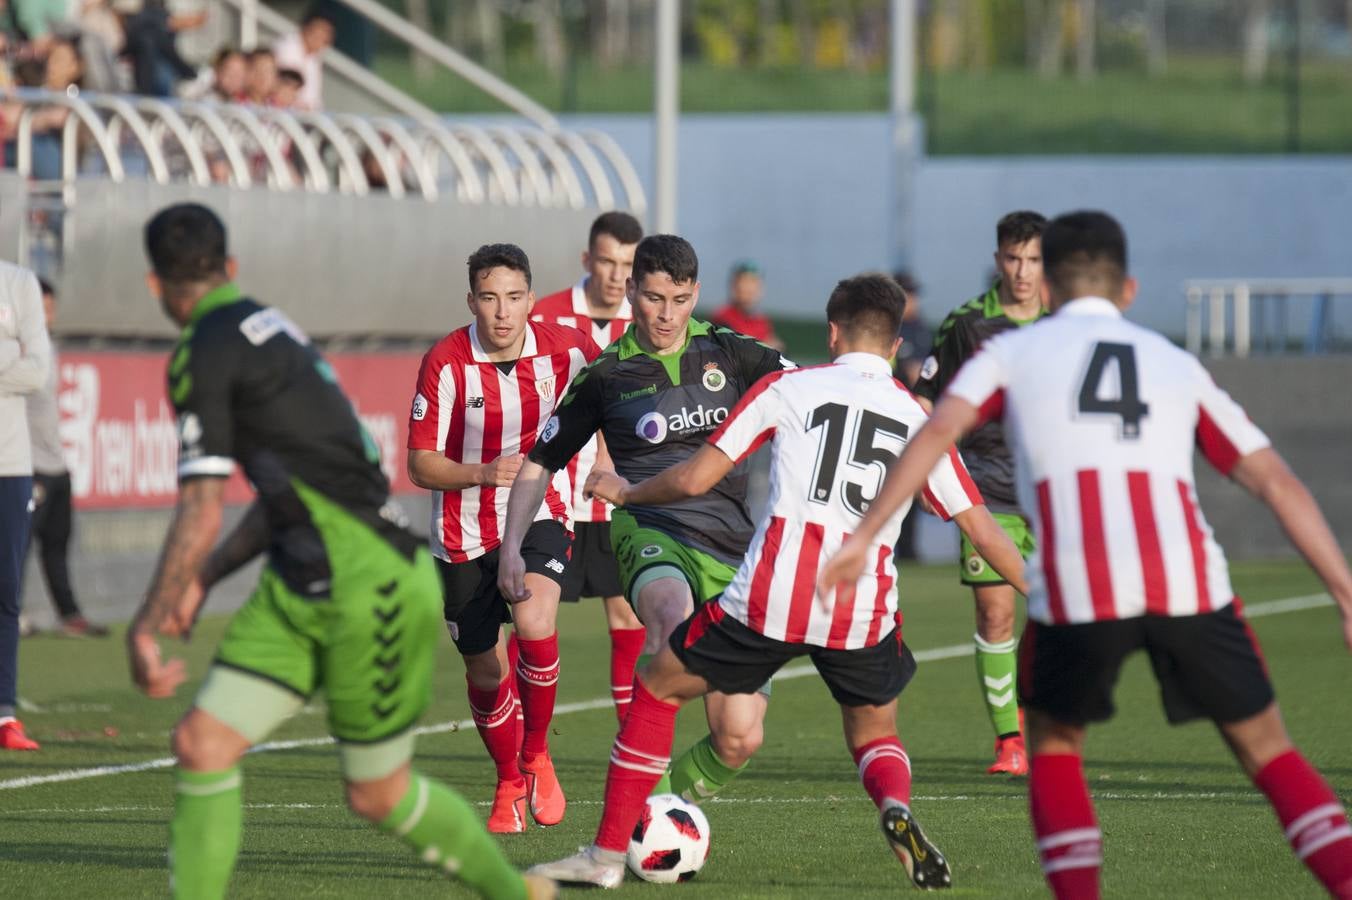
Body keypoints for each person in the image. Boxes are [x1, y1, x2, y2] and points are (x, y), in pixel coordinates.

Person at [820, 211, 1352, 900]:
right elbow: (1275, 480)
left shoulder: (1011, 355)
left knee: (1054, 747)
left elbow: (933, 430)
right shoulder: (1171, 361)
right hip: (1185, 579)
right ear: (1127, 290)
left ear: (1053, 288)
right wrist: (1344, 591)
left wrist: (863, 537)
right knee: (1269, 751)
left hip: (1078, 585)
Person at [526, 273, 1028, 889]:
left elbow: (692, 480)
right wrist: (1050, 594)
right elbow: (980, 527)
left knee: (657, 690)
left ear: (832, 331)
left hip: (771, 596)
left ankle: (604, 858)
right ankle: (894, 807)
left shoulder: (790, 387)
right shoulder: (916, 418)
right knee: (875, 733)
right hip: (862, 610)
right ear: (897, 345)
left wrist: (626, 490)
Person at [124, 204, 555, 900]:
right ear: (229, 268)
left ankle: (515, 891)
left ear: (155, 286)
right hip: (298, 585)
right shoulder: (272, 331)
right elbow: (288, 492)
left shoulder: (203, 352)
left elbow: (203, 505)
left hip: (372, 585)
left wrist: (148, 620)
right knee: (204, 743)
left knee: (378, 794)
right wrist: (203, 579)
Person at [502, 234, 794, 812]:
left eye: (680, 300)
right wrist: (512, 547)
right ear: (633, 291)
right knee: (667, 617)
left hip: (733, 543)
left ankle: (661, 812)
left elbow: (809, 394)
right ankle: (642, 808)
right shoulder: (607, 374)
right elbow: (540, 461)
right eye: (655, 298)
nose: (666, 314)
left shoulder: (731, 351)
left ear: (696, 295)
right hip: (650, 530)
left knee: (739, 735)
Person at [406, 243, 597, 834]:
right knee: (487, 671)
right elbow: (419, 464)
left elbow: (619, 382)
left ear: (531, 300)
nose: (502, 311)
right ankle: (508, 781)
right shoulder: (447, 360)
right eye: (489, 298)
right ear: (472, 301)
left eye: (514, 297)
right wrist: (482, 472)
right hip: (462, 533)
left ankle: (537, 755)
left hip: (540, 511)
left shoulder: (566, 348)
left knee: (536, 619)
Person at [912, 210, 1047, 776]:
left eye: (1034, 259)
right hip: (986, 487)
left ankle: (1047, 720)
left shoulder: (1066, 319)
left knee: (1055, 617)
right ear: (998, 260)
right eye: (1013, 258)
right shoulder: (968, 324)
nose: (1022, 271)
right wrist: (922, 468)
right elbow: (924, 399)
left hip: (1054, 491)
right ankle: (1009, 741)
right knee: (995, 611)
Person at [529, 210, 646, 721]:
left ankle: (635, 742)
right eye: (607, 261)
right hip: (553, 493)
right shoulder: (546, 314)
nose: (617, 275)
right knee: (533, 619)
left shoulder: (647, 318)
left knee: (627, 614)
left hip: (618, 496)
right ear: (587, 260)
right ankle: (529, 750)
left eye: (627, 264)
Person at [24, 278, 106, 637]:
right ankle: (12, 614)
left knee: (57, 544)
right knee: (17, 545)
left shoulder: (49, 348)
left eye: (51, 307)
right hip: (27, 466)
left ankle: (69, 615)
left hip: (57, 464)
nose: (48, 315)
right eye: (41, 308)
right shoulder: (17, 351)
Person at [0, 258, 50, 751]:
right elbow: (20, 364)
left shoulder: (17, 283)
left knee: (7, 588)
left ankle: (3, 714)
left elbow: (37, 371)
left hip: (8, 463)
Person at [708, 259, 784, 351]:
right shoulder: (722, 317)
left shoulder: (762, 321)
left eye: (754, 282)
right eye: (745, 281)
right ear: (734, 286)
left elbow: (777, 348)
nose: (749, 288)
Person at [272, 5, 333, 111]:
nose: (322, 39)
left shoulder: (314, 59)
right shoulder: (287, 46)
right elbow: (286, 90)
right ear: (307, 27)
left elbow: (315, 100)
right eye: (320, 32)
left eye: (326, 35)